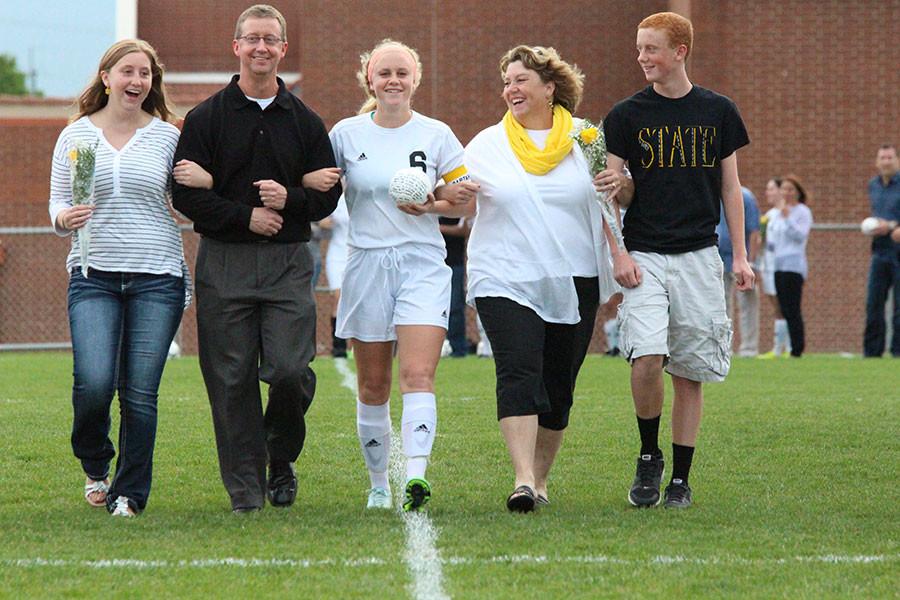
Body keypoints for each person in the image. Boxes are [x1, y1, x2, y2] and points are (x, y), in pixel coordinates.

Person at [172, 4, 341, 513]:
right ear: (237, 47)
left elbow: (329, 194)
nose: (261, 47)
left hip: (289, 263)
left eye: (271, 39)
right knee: (230, 379)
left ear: (283, 49)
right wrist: (244, 215)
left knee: (290, 371)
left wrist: (290, 200)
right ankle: (245, 489)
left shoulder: (307, 123)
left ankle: (279, 455)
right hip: (224, 262)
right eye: (252, 39)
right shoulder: (205, 118)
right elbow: (184, 194)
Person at [600, 12, 753, 509]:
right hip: (644, 254)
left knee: (689, 372)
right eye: (639, 48)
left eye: (652, 49)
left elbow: (731, 187)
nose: (642, 57)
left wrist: (741, 256)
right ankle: (649, 455)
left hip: (699, 256)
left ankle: (681, 481)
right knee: (646, 358)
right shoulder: (625, 115)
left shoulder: (719, 110)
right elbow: (606, 191)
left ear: (680, 51)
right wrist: (618, 253)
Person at [464, 45, 620, 512]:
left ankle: (542, 478)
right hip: (505, 273)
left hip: (575, 273)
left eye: (521, 80)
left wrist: (621, 253)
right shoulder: (487, 144)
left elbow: (610, 200)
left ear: (549, 87)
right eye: (507, 82)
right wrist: (431, 200)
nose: (511, 89)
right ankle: (523, 480)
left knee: (558, 385)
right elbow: (455, 195)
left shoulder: (586, 138)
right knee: (517, 371)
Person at [328, 39, 478, 511]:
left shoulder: (436, 133)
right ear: (368, 79)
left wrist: (432, 203)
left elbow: (465, 197)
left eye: (402, 72)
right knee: (373, 385)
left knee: (418, 373)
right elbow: (320, 188)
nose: (393, 80)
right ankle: (378, 485)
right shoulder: (345, 134)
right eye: (384, 72)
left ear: (416, 78)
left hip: (421, 264)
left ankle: (416, 477)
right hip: (367, 263)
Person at [48, 39, 192, 517]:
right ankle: (95, 465)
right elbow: (57, 200)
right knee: (93, 383)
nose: (136, 81)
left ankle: (129, 494)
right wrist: (63, 217)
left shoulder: (169, 138)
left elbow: (188, 200)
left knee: (139, 392)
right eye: (127, 71)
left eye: (145, 74)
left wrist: (202, 183)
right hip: (93, 276)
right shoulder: (76, 136)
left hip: (158, 275)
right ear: (106, 77)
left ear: (153, 83)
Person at [862, 144, 900, 357]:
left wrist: (893, 226)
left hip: (899, 251)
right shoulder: (873, 185)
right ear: (877, 162)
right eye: (882, 158)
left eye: (890, 158)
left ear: (897, 161)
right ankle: (872, 352)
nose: (886, 162)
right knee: (874, 303)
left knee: (899, 307)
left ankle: (898, 352)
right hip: (880, 252)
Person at [769, 175, 812, 357]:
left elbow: (799, 235)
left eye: (790, 189)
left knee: (793, 308)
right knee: (783, 307)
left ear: (797, 192)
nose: (786, 192)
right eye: (784, 189)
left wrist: (788, 217)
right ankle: (786, 347)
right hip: (778, 264)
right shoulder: (776, 213)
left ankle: (797, 348)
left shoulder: (802, 212)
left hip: (793, 265)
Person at [717, 186, 761, 356]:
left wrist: (751, 261)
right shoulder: (712, 194)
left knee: (747, 304)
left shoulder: (745, 197)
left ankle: (749, 348)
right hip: (718, 257)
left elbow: (754, 231)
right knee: (721, 305)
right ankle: (724, 348)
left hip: (741, 260)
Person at [758, 178, 791, 358]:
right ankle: (779, 347)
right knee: (776, 306)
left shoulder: (788, 213)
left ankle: (788, 347)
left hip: (784, 266)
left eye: (771, 189)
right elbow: (762, 241)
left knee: (786, 305)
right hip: (768, 265)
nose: (768, 193)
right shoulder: (769, 215)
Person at [321, 194, 350, 357]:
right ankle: (338, 346)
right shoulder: (337, 199)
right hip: (338, 253)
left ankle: (356, 344)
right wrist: (322, 222)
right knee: (338, 298)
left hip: (357, 252)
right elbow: (322, 219)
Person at [440, 216, 471, 357]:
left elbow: (464, 229)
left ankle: (458, 347)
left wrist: (438, 228)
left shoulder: (456, 202)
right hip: (432, 261)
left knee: (455, 308)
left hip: (454, 262)